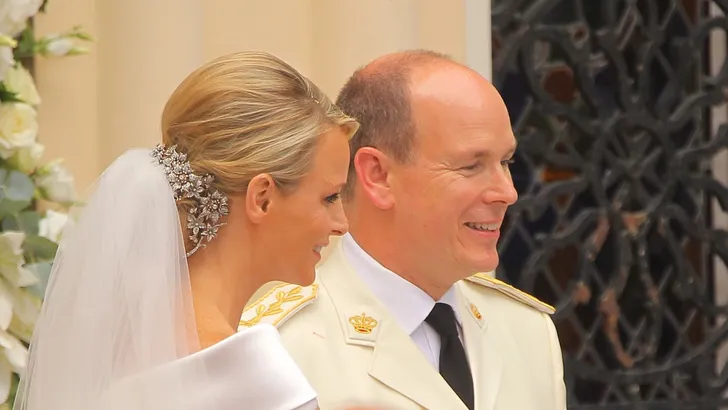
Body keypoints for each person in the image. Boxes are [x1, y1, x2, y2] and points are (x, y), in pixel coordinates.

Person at [13, 51, 360, 410]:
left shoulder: (109, 357)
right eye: (329, 197)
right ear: (262, 198)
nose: (342, 226)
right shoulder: (254, 378)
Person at [241, 50, 567, 409]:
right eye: (472, 166)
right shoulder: (277, 347)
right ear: (378, 175)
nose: (507, 192)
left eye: (505, 162)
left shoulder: (527, 331)